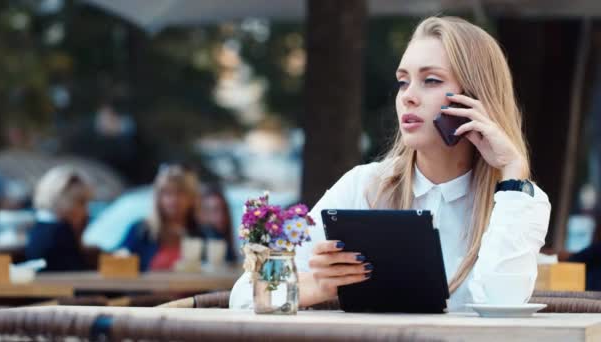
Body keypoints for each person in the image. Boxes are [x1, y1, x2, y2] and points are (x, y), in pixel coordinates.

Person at [230, 16, 551, 311]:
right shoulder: (364, 186)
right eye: (403, 81)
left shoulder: (519, 199)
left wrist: (511, 172)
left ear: (474, 99)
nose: (408, 96)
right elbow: (245, 296)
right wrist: (317, 286)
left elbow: (503, 308)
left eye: (431, 80)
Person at [119, 164, 203, 271]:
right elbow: (118, 259)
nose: (174, 200)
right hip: (150, 287)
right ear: (157, 197)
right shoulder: (141, 231)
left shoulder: (205, 233)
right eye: (167, 193)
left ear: (192, 198)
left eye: (180, 193)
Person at [25, 166, 98, 271]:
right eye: (81, 202)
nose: (86, 211)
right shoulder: (60, 231)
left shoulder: (39, 227)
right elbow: (77, 272)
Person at [198, 185, 237, 263]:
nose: (221, 216)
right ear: (202, 214)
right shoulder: (208, 238)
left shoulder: (226, 241)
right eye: (214, 211)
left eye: (223, 210)